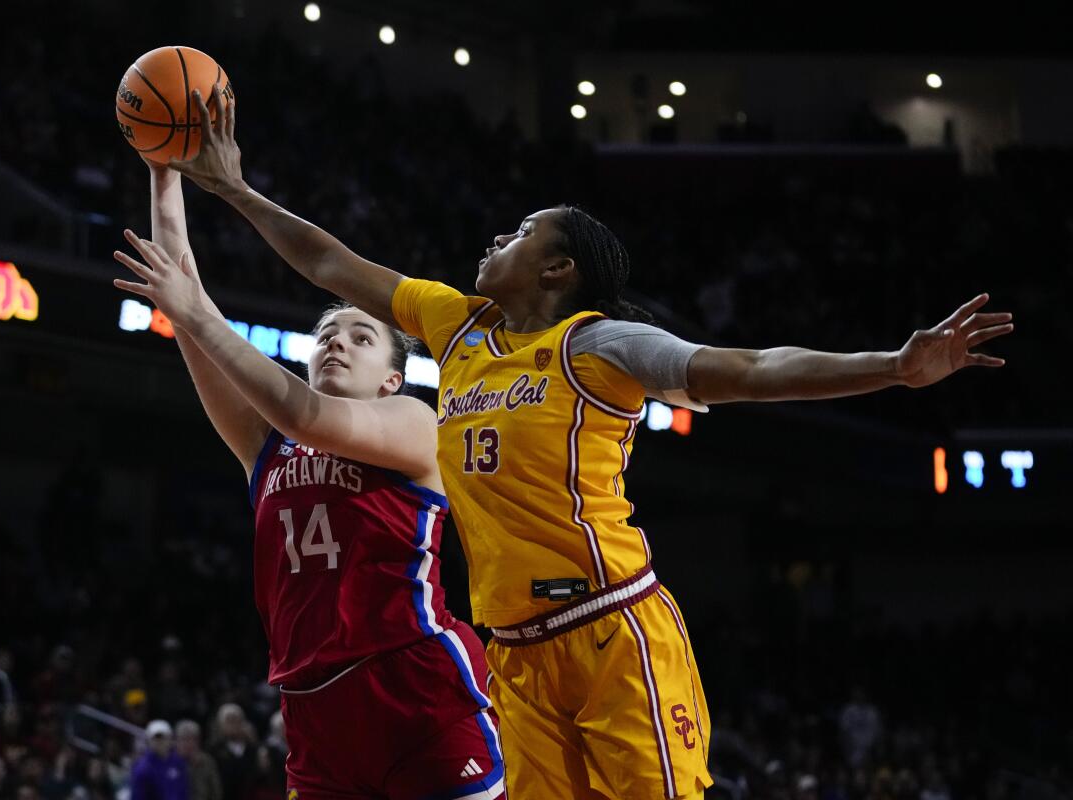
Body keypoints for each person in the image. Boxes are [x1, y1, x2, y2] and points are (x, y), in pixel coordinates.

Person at [163, 83, 1015, 800]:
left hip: (611, 628)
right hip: (517, 658)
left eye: (521, 233)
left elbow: (749, 367)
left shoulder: (595, 346)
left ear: (556, 270)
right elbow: (329, 262)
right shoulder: (454, 327)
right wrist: (233, 190)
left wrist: (894, 368)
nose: (495, 240)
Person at [109, 156, 504, 800]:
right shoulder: (265, 445)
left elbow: (301, 409)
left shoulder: (413, 422)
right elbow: (186, 302)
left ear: (391, 377)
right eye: (326, 333)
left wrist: (200, 316)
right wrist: (163, 170)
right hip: (313, 707)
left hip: (416, 690)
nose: (336, 343)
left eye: (359, 336)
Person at [129, 720, 188, 800]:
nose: (159, 742)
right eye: (156, 738)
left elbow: (184, 791)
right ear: (149, 741)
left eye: (163, 738)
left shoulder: (178, 762)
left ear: (170, 738)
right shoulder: (142, 769)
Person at [174, 720, 222, 800]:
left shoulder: (207, 761)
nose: (189, 743)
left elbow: (216, 791)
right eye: (184, 739)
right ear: (176, 741)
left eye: (193, 739)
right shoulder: (169, 762)